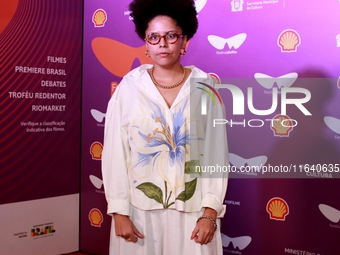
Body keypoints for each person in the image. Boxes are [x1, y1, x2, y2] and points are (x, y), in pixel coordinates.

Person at [101, 0, 229, 254]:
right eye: (154, 37)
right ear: (146, 43)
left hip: (194, 213)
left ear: (184, 41)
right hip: (138, 213)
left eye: (171, 35)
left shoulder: (206, 87)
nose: (162, 43)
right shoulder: (128, 88)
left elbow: (217, 155)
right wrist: (119, 210)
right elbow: (115, 152)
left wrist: (210, 212)